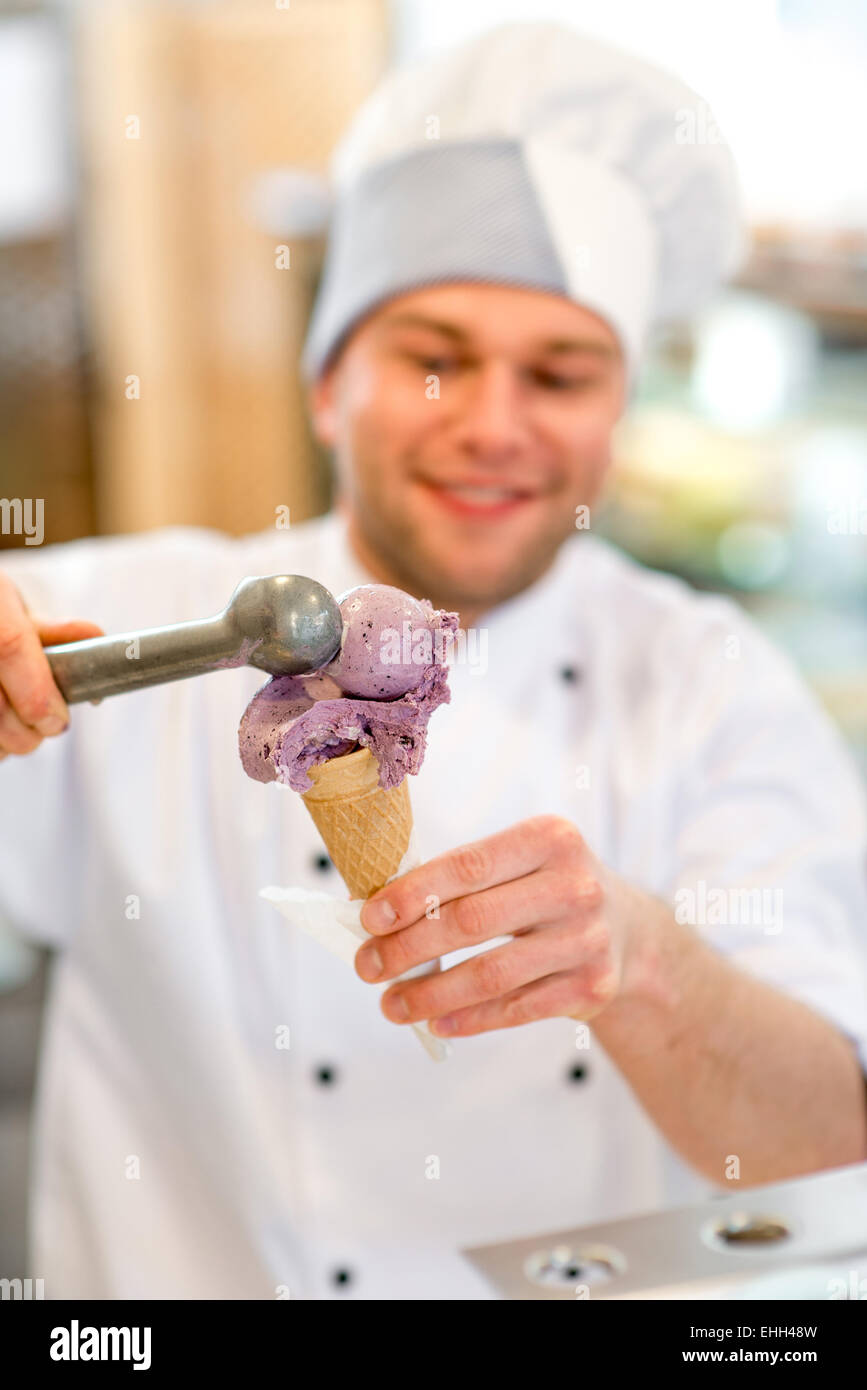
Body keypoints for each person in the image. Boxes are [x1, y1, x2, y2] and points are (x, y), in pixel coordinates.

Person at [1, 23, 866, 1301]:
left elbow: (824, 1143)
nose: (492, 426)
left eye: (561, 372)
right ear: (328, 387)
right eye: (433, 358)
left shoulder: (711, 689)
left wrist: (646, 963)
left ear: (620, 413)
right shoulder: (122, 627)